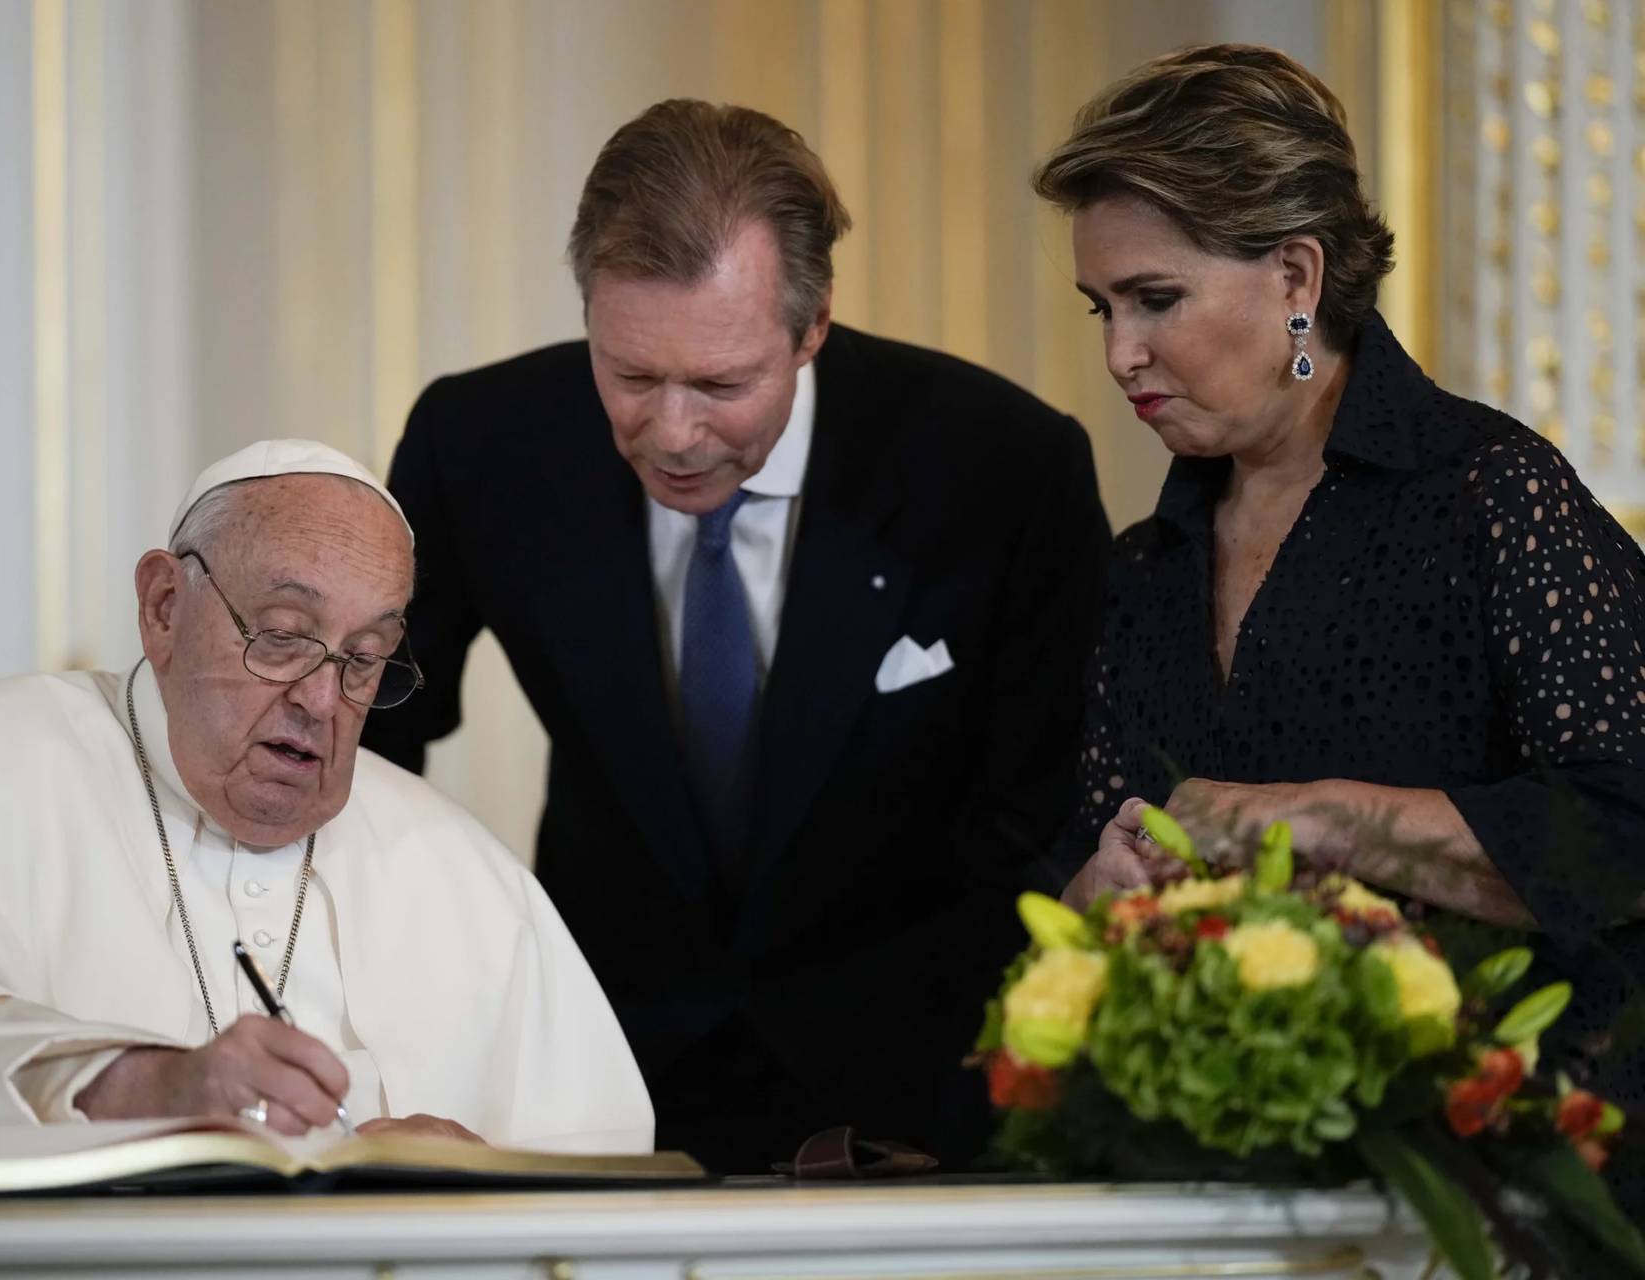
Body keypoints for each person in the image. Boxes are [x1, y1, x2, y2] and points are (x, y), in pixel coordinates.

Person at [360, 99, 1111, 1171]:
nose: (671, 432)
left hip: (912, 1096)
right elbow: (375, 726)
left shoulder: (998, 466)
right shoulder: (482, 443)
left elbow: (1043, 812)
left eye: (721, 384)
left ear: (812, 328)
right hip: (599, 1069)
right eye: (628, 375)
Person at [1039, 44, 1644, 1209]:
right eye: (1102, 308)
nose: (1120, 353)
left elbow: (1623, 829)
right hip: (1208, 1201)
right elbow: (1082, 870)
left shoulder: (1488, 496)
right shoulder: (1143, 570)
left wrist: (1320, 820)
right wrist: (1096, 893)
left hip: (1510, 1194)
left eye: (1156, 299)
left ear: (1297, 274)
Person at [0, 440, 653, 1153]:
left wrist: (476, 1182)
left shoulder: (463, 872)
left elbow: (594, 1167)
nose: (322, 701)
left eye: (364, 660)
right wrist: (157, 1089)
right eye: (284, 637)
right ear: (164, 606)